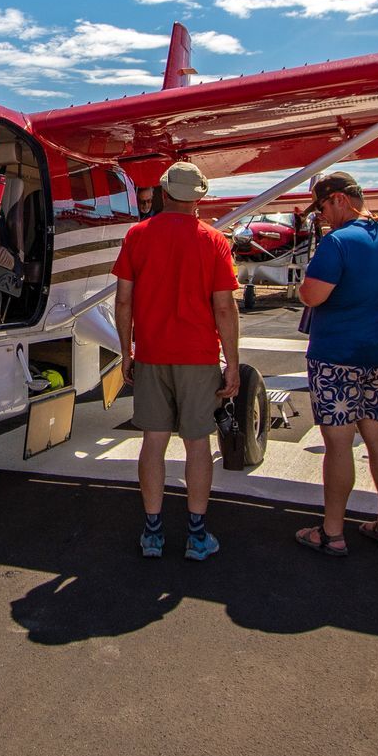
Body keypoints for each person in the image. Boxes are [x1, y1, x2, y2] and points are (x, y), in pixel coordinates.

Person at [112, 161, 241, 562]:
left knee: (153, 441)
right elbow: (224, 308)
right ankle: (197, 535)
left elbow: (123, 299)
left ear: (165, 193)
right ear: (199, 199)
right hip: (198, 357)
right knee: (197, 443)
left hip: (151, 354)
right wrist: (232, 362)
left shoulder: (137, 235)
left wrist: (126, 351)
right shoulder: (214, 240)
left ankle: (153, 532)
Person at [294, 170, 378, 556]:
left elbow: (312, 296)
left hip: (336, 356)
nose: (323, 216)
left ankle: (332, 532)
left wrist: (303, 285)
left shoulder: (336, 243)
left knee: (339, 442)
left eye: (324, 207)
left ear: (341, 199)